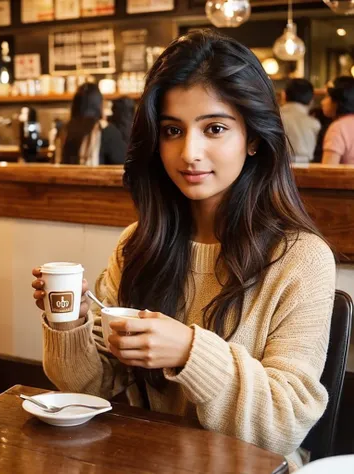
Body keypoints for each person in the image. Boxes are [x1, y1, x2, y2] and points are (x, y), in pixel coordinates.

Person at [32, 30, 335, 471]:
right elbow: (94, 388)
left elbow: (285, 427)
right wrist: (72, 322)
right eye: (173, 130)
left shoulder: (301, 260)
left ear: (253, 137)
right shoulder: (140, 243)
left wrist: (190, 352)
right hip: (144, 458)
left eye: (215, 128)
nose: (190, 152)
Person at [55, 83, 126, 165]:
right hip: (95, 177)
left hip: (63, 177)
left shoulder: (63, 130)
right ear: (99, 105)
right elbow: (123, 163)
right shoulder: (105, 129)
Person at [280, 79, 321, 163]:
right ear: (311, 100)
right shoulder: (314, 124)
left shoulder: (274, 118)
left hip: (278, 170)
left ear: (284, 95)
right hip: (308, 171)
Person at [321, 76, 354, 164]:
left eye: (327, 96)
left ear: (338, 100)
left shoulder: (338, 127)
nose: (322, 102)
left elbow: (328, 172)